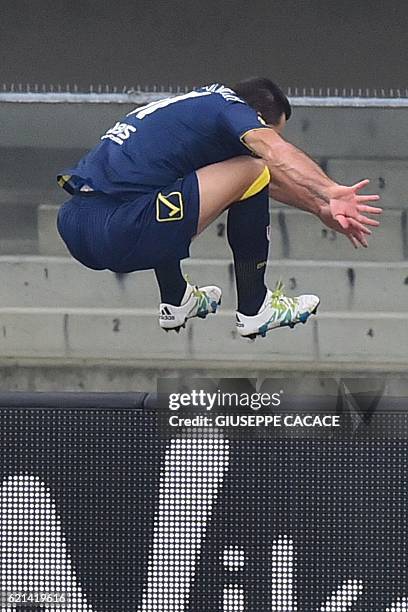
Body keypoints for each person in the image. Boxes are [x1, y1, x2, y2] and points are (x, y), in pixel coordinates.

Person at [57, 78, 382, 339]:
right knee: (253, 168)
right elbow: (270, 158)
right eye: (267, 130)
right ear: (256, 118)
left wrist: (318, 207)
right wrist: (329, 190)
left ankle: (176, 299)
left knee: (176, 182)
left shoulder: (190, 110)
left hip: (77, 224)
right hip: (121, 229)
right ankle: (256, 306)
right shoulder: (232, 110)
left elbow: (262, 177)